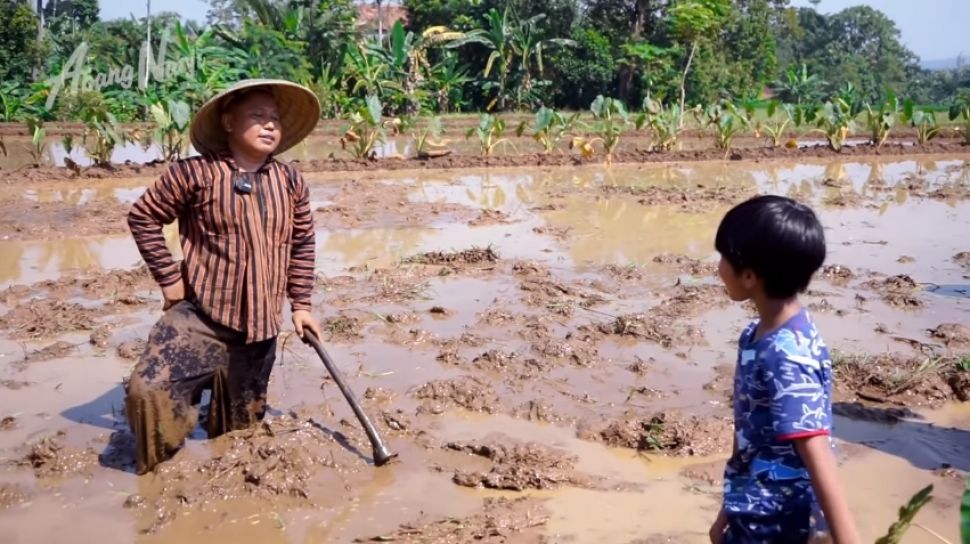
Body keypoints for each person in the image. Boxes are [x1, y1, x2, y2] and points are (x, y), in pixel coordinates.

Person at [124, 79, 323, 475]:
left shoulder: (290, 182)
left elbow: (302, 244)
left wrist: (300, 305)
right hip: (200, 318)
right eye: (258, 116)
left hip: (259, 331)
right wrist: (168, 278)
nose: (269, 125)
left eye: (275, 119)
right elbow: (143, 216)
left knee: (239, 433)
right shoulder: (193, 174)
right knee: (147, 393)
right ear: (229, 122)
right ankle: (157, 477)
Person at [708, 195, 860, 544]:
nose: (718, 267)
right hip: (749, 507)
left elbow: (816, 452)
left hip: (779, 521)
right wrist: (727, 509)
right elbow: (746, 434)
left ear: (748, 275)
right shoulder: (756, 336)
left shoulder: (787, 357)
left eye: (723, 258)